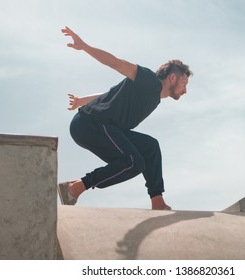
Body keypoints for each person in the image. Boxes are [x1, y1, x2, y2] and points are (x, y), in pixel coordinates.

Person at [58, 26, 192, 210]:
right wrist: (85, 47)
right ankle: (75, 188)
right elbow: (116, 63)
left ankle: (157, 200)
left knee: (150, 146)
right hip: (91, 124)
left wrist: (82, 100)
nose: (185, 90)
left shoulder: (152, 95)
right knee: (132, 162)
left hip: (104, 126)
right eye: (183, 84)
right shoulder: (148, 80)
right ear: (171, 78)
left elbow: (110, 93)